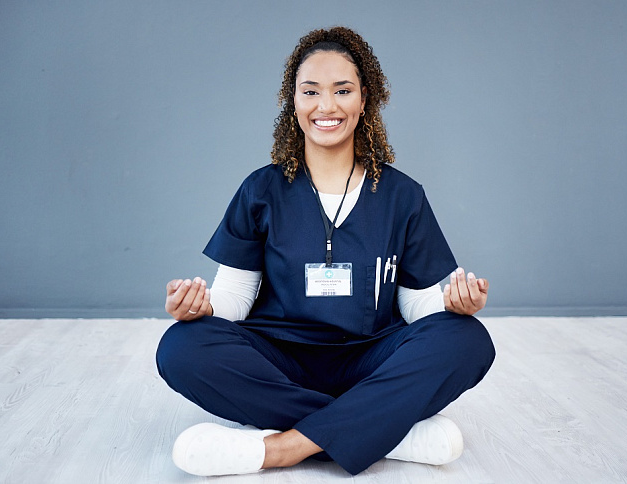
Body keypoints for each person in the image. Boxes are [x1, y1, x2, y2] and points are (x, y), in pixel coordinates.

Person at [156, 26, 495, 477]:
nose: (326, 106)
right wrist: (200, 307)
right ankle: (384, 428)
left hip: (371, 356)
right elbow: (234, 298)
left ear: (363, 99)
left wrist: (453, 303)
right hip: (280, 359)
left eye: (342, 90)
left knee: (466, 338)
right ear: (293, 101)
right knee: (181, 346)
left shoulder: (402, 195)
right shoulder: (261, 190)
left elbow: (417, 304)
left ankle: (283, 447)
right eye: (310, 91)